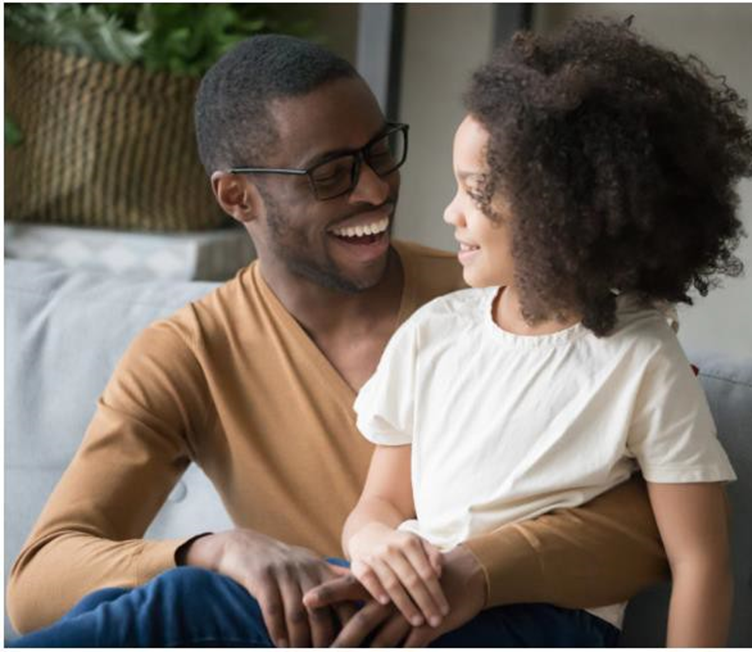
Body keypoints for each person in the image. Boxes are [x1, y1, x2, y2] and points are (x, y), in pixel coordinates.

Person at [7, 34, 671, 647]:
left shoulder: (502, 297)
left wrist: (476, 572)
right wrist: (213, 550)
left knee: (182, 606)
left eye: (379, 152)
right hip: (311, 633)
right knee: (168, 601)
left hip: (495, 626)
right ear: (238, 196)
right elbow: (36, 585)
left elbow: (652, 531)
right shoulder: (188, 353)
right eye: (332, 174)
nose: (377, 189)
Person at [337, 17, 752, 648]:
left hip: (546, 623)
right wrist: (373, 542)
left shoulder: (640, 358)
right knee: (203, 600)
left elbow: (701, 562)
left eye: (475, 190)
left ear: (558, 210)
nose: (449, 211)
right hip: (423, 597)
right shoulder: (434, 333)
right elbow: (378, 505)